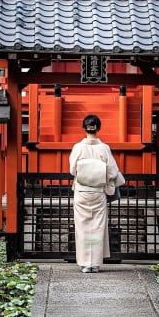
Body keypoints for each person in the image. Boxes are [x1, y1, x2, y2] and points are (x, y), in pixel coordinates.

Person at [69, 114, 120, 273]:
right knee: (97, 227)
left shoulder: (78, 147)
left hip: (82, 192)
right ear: (99, 128)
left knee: (83, 227)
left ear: (84, 128)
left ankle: (85, 264)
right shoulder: (104, 148)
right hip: (98, 192)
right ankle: (95, 264)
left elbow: (72, 170)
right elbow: (112, 172)